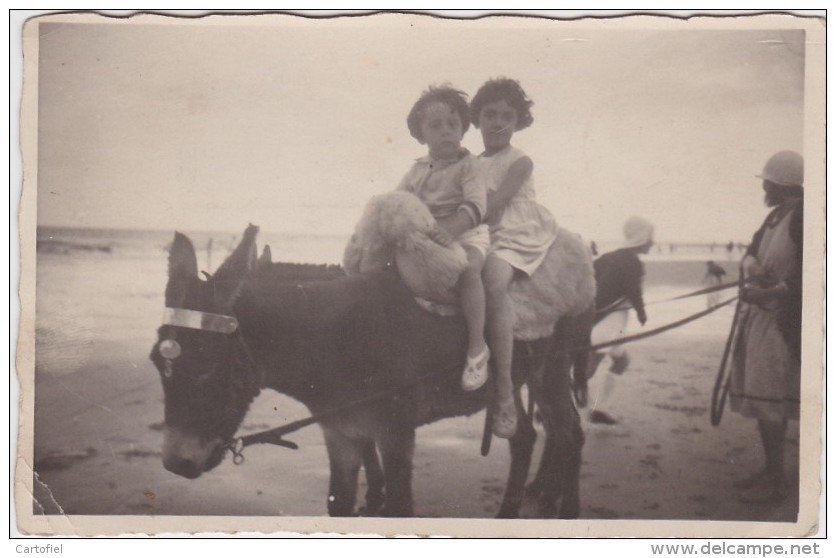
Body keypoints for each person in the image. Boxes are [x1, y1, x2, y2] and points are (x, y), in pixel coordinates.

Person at [470, 77, 559, 438]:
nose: (498, 123)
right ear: (476, 120)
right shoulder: (471, 163)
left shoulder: (520, 161)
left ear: (519, 122)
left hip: (515, 232)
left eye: (507, 116)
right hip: (481, 229)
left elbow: (495, 204)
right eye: (490, 115)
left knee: (493, 280)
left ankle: (505, 389)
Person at [397, 85, 491, 394]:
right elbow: (400, 203)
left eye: (453, 124)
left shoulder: (469, 165)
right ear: (421, 134)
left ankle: (477, 348)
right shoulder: (416, 170)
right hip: (428, 239)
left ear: (464, 129)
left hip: (466, 233)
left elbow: (476, 204)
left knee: (469, 273)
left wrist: (452, 228)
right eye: (435, 126)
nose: (446, 132)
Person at [729, 150, 803, 503]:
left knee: (771, 396)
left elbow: (817, 272)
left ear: (779, 184)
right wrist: (752, 269)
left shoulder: (805, 216)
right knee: (764, 396)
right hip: (760, 317)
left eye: (768, 183)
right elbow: (751, 251)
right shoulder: (775, 217)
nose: (765, 189)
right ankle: (772, 467)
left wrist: (774, 290)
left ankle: (776, 473)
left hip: (783, 322)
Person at [586, 216, 654, 425]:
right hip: (608, 323)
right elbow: (633, 290)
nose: (652, 242)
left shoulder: (607, 257)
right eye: (650, 238)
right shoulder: (633, 262)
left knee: (620, 361)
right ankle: (551, 409)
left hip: (601, 319)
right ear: (641, 239)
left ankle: (600, 408)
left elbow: (589, 278)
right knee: (589, 369)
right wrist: (642, 313)